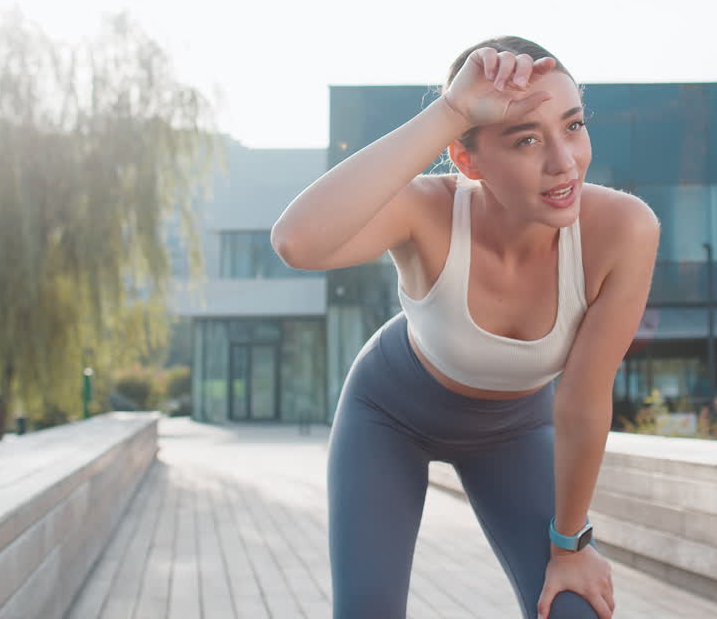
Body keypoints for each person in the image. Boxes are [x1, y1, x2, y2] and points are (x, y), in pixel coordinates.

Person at [272, 36, 659, 619]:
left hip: (515, 431)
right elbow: (296, 241)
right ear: (468, 158)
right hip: (389, 416)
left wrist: (571, 543)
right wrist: (452, 110)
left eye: (573, 126)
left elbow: (582, 400)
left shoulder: (624, 229)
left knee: (575, 610)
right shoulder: (428, 210)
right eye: (527, 138)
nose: (563, 162)